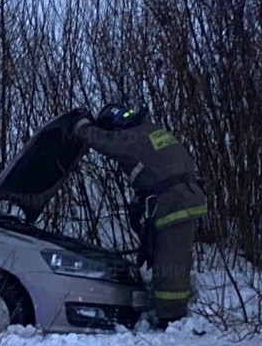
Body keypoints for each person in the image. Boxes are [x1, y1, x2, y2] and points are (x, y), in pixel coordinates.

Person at [73, 103, 206, 327]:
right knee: (170, 253)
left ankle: (171, 317)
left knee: (169, 259)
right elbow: (155, 168)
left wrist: (82, 127)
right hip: (183, 196)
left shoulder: (132, 137)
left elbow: (106, 143)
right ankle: (169, 307)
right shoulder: (151, 130)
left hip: (174, 200)